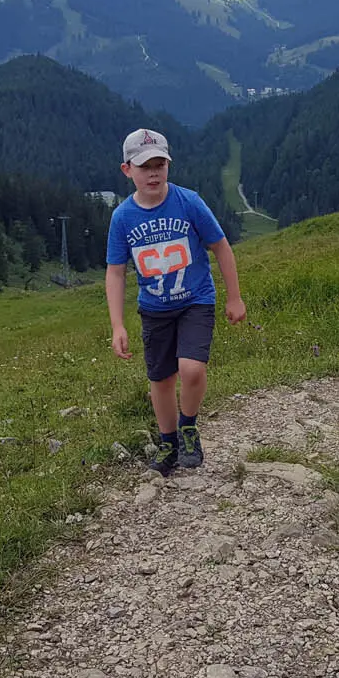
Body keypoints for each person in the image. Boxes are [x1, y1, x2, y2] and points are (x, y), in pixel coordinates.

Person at [107, 128, 247, 475]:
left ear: (169, 165)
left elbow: (221, 246)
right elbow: (116, 272)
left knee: (192, 368)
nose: (153, 173)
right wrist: (118, 324)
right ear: (127, 170)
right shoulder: (123, 217)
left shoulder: (188, 201)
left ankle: (188, 427)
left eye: (160, 164)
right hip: (154, 310)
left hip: (195, 301)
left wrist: (234, 297)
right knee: (161, 380)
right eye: (144, 166)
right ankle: (168, 441)